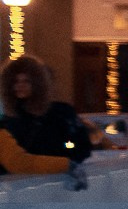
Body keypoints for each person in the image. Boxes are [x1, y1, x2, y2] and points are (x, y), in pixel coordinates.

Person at [1, 54, 93, 184]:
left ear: (38, 84)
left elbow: (82, 146)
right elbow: (17, 161)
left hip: (55, 182)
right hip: (22, 184)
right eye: (15, 81)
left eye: (26, 81)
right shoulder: (10, 120)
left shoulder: (60, 113)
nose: (20, 86)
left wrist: (67, 161)